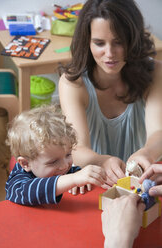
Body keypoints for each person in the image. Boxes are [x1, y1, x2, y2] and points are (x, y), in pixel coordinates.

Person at [59, 0, 162, 186]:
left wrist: (147, 152)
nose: (110, 53)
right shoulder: (73, 83)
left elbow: (158, 131)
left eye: (118, 42)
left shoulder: (156, 73)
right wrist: (102, 161)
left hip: (146, 177)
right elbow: (77, 147)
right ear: (87, 42)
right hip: (97, 181)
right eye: (99, 43)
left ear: (133, 39)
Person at [5, 104, 106, 206]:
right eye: (53, 162)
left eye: (68, 155)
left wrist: (82, 177)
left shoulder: (60, 170)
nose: (65, 166)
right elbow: (28, 192)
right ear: (25, 163)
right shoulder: (18, 183)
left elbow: (74, 174)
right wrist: (73, 179)